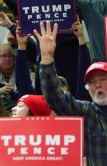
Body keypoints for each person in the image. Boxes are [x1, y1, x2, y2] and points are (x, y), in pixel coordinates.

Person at [36, 20, 107, 166]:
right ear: (88, 89)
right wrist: (47, 58)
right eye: (92, 82)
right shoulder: (87, 111)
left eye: (103, 79)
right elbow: (55, 99)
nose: (98, 84)